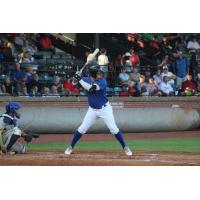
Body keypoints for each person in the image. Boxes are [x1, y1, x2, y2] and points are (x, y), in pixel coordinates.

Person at [64, 65, 132, 156]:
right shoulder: (85, 79)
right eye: (98, 73)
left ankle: (125, 147)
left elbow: (91, 89)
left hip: (105, 109)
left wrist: (79, 79)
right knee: (82, 128)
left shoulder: (102, 81)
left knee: (113, 129)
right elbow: (73, 83)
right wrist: (76, 77)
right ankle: (71, 146)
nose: (100, 74)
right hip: (92, 110)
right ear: (93, 74)